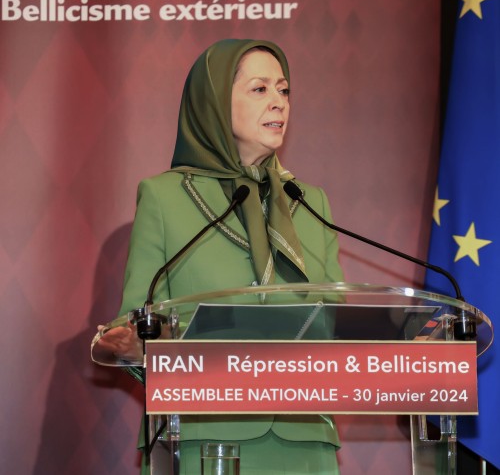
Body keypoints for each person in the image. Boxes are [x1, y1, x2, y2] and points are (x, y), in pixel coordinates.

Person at [104, 38, 344, 474]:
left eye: (284, 90)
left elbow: (336, 324)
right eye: (260, 89)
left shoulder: (310, 202)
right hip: (199, 434)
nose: (279, 103)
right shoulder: (164, 197)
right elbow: (134, 323)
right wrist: (136, 347)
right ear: (214, 102)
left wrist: (403, 351)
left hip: (305, 440)